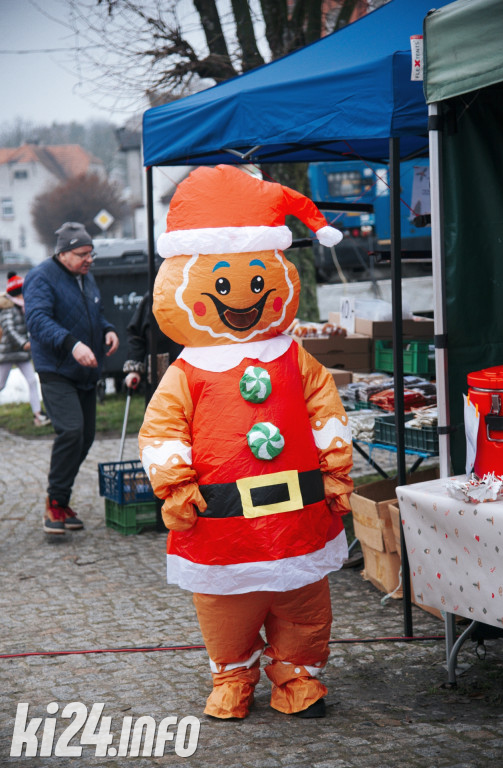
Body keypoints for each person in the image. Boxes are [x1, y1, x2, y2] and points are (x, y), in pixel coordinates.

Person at [139, 165, 353, 720]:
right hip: (223, 521)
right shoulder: (188, 372)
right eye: (226, 284)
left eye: (258, 282)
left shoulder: (292, 356)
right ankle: (233, 673)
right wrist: (176, 484)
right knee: (227, 603)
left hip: (297, 512)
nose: (242, 296)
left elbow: (324, 409)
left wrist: (335, 471)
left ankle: (296, 671)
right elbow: (162, 430)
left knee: (302, 597)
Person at [23, 222, 119, 535]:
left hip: (85, 370)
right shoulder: (41, 277)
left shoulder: (85, 277)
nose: (89, 259)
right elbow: (37, 320)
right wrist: (72, 344)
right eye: (82, 254)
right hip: (56, 368)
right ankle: (55, 502)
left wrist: (107, 330)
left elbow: (94, 312)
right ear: (63, 254)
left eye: (91, 253)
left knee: (86, 435)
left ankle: (61, 500)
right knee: (71, 430)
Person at [0, 272, 49, 427]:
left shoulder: (23, 307)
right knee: (0, 385)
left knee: (32, 381)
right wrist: (23, 343)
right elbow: (9, 329)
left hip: (21, 354)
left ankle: (38, 415)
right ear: (17, 293)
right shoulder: (8, 308)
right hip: (7, 353)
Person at [123, 291, 183, 395]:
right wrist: (135, 368)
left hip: (190, 370)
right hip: (160, 373)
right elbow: (136, 333)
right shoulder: (155, 295)